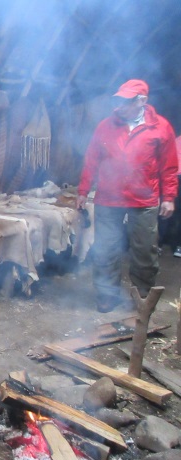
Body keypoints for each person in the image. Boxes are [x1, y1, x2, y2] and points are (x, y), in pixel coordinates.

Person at [76, 79, 178, 313]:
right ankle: (106, 295)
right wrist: (83, 191)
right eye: (118, 101)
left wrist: (169, 197)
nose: (119, 106)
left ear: (142, 101)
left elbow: (169, 166)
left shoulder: (160, 127)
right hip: (109, 198)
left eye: (126, 101)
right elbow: (91, 160)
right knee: (106, 249)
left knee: (144, 251)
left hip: (144, 199)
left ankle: (142, 296)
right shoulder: (105, 126)